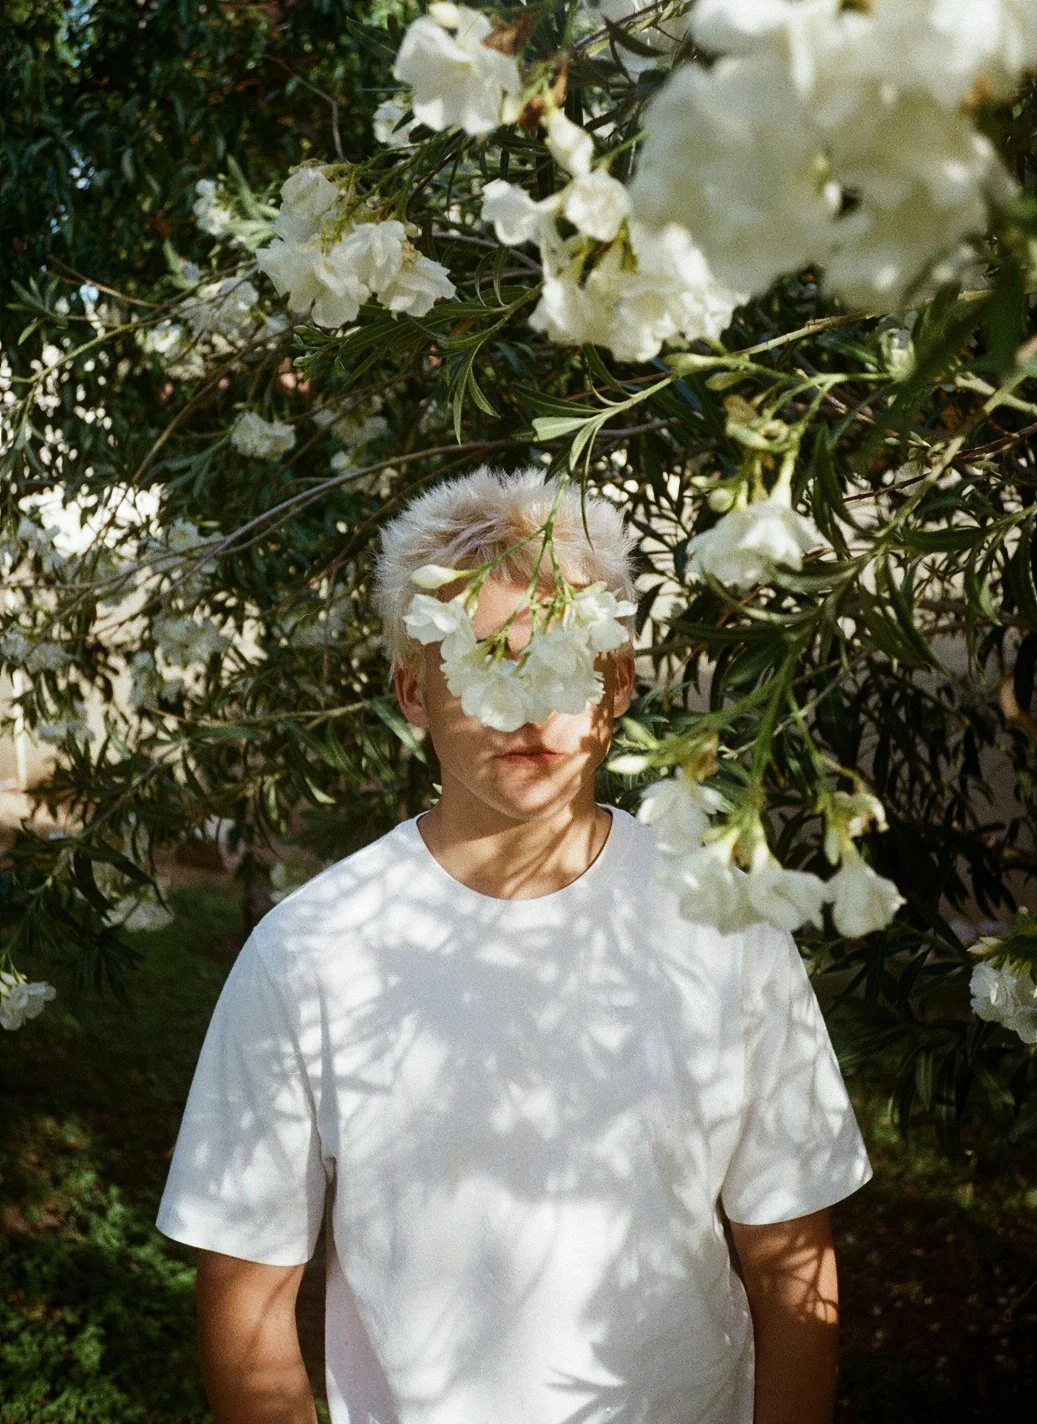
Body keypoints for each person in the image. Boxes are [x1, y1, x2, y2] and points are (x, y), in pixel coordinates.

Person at [157, 466, 872, 1424]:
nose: (529, 706)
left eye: (564, 658)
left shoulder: (724, 919)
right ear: (413, 691)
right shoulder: (310, 952)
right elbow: (246, 1299)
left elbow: (791, 1259)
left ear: (616, 681)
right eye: (485, 662)